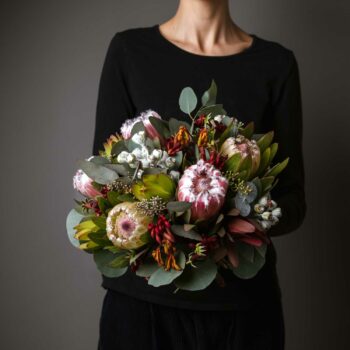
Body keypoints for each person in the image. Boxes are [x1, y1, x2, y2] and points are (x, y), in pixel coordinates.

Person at [93, 1, 307, 349]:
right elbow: (106, 183)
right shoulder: (129, 52)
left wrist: (227, 230)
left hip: (243, 311)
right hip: (142, 310)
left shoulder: (276, 64)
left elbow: (294, 202)